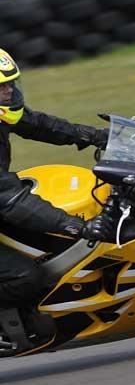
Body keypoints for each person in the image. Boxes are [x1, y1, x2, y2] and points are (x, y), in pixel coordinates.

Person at [0, 48, 114, 353]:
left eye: (11, 84)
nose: (9, 92)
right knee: (25, 275)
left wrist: (94, 135)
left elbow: (39, 124)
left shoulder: (3, 112)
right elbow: (9, 200)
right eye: (1, 88)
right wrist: (75, 226)